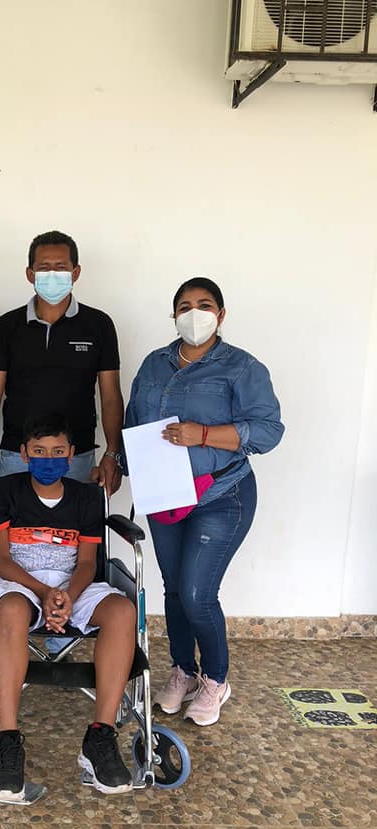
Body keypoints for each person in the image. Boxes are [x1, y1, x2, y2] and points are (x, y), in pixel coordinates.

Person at [125, 277, 284, 726]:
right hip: (166, 494)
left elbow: (269, 431)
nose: (194, 314)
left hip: (221, 494)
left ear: (221, 314)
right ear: (174, 315)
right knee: (174, 590)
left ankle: (216, 678)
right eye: (184, 306)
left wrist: (206, 435)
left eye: (205, 305)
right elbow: (135, 420)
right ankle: (183, 670)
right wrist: (117, 461)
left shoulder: (242, 368)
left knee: (197, 594)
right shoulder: (153, 364)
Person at [0, 412, 136, 799]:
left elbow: (86, 563)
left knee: (123, 612)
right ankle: (7, 742)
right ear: (24, 453)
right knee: (12, 611)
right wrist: (41, 591)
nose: (48, 459)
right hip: (20, 582)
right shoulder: (4, 491)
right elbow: (0, 559)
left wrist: (68, 595)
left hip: (74, 583)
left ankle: (100, 737)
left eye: (57, 451)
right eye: (39, 451)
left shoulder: (85, 498)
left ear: (70, 455)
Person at [0, 230, 124, 495]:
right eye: (44, 268)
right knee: (15, 522)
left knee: (76, 522)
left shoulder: (99, 325)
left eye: (61, 267)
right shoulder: (8, 326)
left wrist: (112, 454)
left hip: (76, 455)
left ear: (75, 272)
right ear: (30, 274)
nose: (52, 275)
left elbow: (110, 397)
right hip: (19, 455)